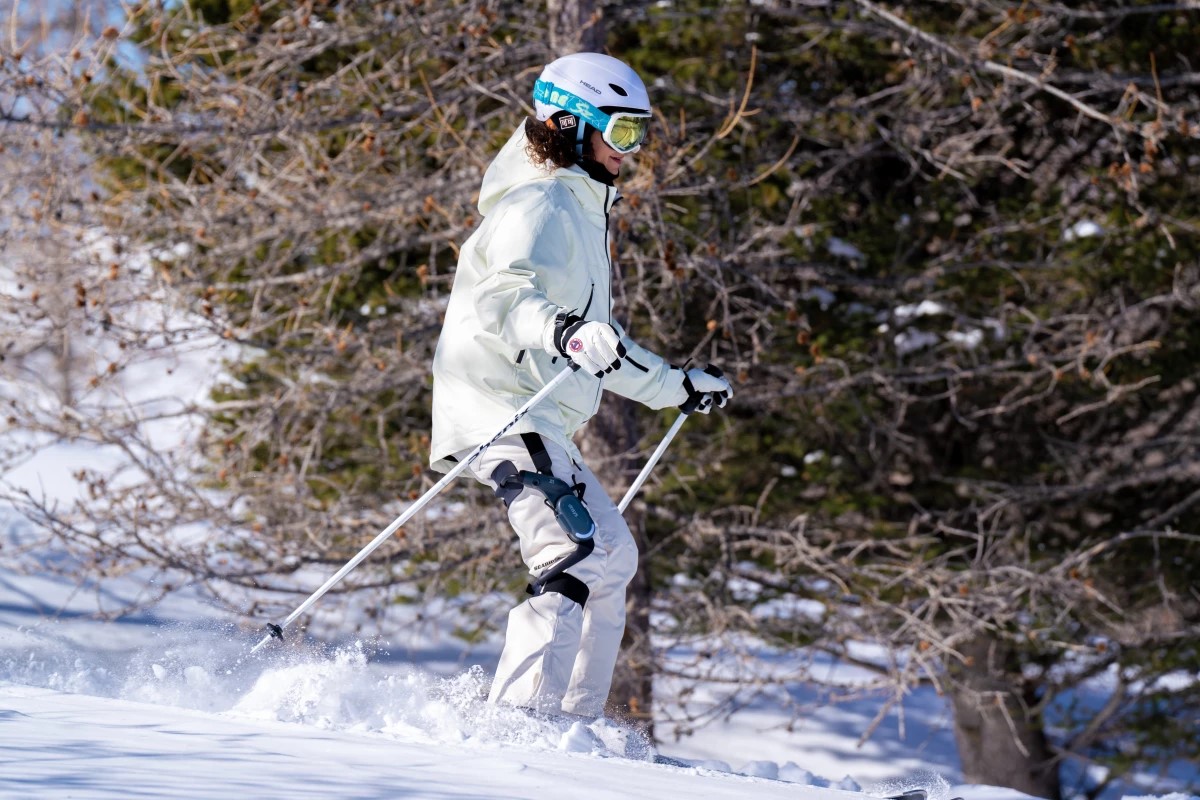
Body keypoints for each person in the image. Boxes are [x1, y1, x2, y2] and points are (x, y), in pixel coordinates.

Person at [429, 52, 732, 720]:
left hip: (536, 416)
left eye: (640, 135)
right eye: (622, 133)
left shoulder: (578, 209)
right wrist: (564, 330)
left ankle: (573, 727)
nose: (634, 151)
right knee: (574, 548)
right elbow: (506, 300)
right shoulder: (538, 202)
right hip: (499, 409)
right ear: (570, 124)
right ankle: (520, 728)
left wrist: (674, 387)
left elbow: (596, 347)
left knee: (613, 555)